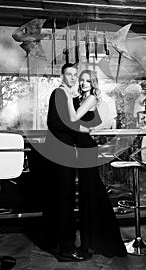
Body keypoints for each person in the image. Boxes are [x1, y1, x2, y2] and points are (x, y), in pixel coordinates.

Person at [65, 69, 127, 258]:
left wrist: (66, 96)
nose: (84, 83)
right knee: (88, 195)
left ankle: (96, 243)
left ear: (93, 84)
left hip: (86, 149)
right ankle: (91, 241)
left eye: (87, 81)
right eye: (82, 80)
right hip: (81, 148)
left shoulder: (90, 99)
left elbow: (73, 118)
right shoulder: (81, 99)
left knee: (92, 194)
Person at [44, 63, 91, 262]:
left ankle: (63, 244)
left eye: (75, 75)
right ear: (62, 76)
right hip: (61, 152)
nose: (72, 78)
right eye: (69, 74)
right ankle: (66, 249)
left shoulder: (69, 96)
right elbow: (54, 122)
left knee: (65, 197)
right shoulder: (59, 93)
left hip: (64, 152)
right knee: (65, 198)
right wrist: (79, 128)